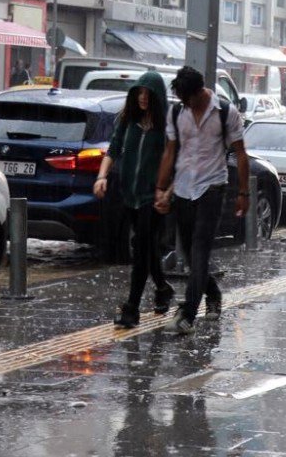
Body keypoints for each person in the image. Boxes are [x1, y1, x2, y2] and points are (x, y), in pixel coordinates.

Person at [155, 66, 249, 336]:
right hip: (183, 189)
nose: (186, 104)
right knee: (190, 254)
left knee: (199, 251)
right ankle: (214, 294)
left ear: (200, 92)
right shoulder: (176, 113)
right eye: (181, 99)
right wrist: (161, 189)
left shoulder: (225, 112)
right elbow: (170, 152)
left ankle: (187, 315)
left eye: (189, 99)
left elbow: (241, 153)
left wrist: (244, 193)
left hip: (212, 188)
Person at [94, 72, 173, 328]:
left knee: (140, 250)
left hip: (153, 197)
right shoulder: (127, 121)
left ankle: (132, 308)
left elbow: (174, 162)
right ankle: (162, 288)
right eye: (139, 93)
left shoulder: (166, 129)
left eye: (148, 95)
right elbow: (113, 150)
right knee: (146, 248)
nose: (143, 99)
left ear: (157, 97)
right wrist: (101, 177)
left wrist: (167, 191)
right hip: (129, 194)